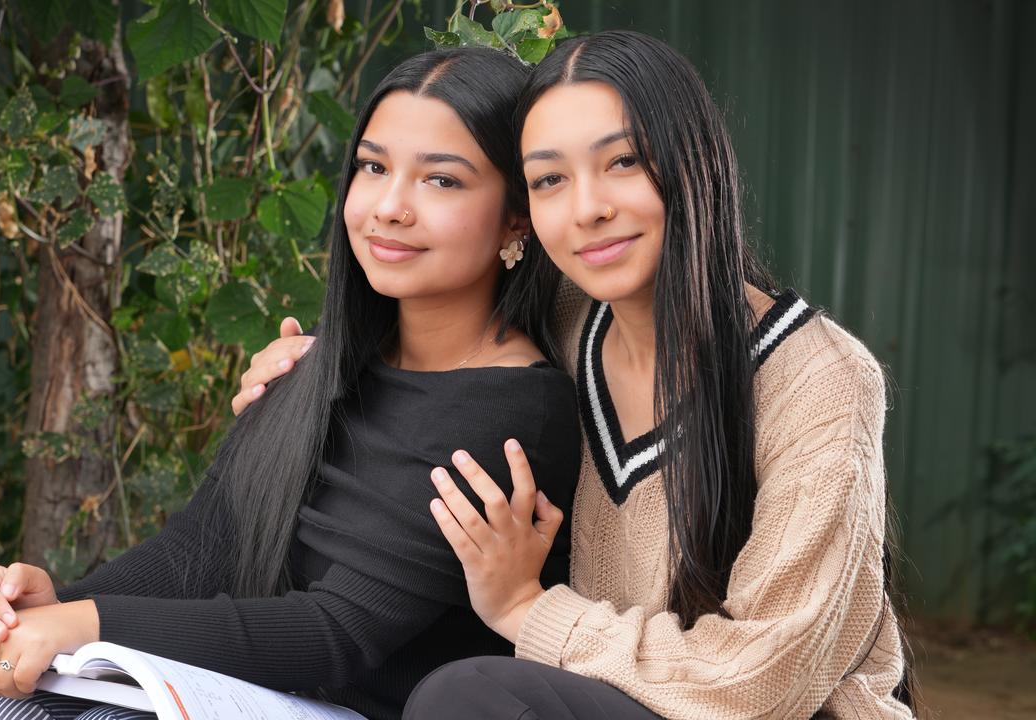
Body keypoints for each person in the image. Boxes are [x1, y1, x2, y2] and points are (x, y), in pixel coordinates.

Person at [243, 31, 917, 720]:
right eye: (549, 179)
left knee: (466, 695)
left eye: (622, 161)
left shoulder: (818, 380)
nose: (587, 208)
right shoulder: (567, 311)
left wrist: (528, 609)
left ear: (695, 164)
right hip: (598, 693)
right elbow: (439, 324)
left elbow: (765, 680)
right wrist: (315, 361)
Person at [0, 47, 583, 720]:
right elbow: (205, 545)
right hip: (262, 697)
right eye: (372, 167)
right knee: (11, 708)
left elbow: (338, 632)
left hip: (371, 706)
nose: (389, 207)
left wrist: (87, 623)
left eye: (442, 181)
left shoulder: (512, 408)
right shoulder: (313, 363)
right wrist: (57, 603)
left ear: (517, 215)